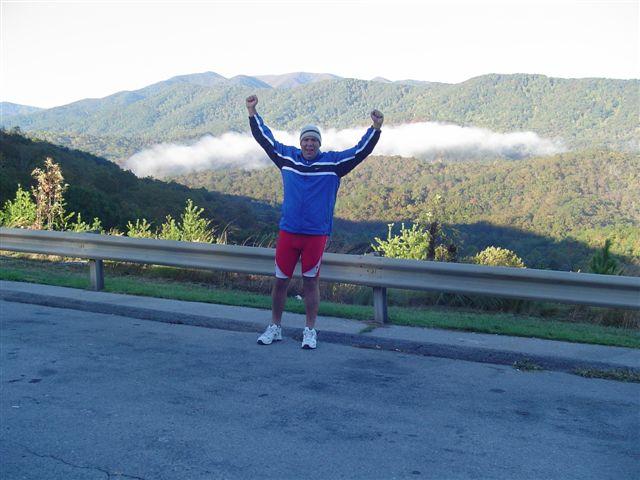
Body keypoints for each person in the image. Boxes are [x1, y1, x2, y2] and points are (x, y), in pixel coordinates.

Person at [246, 94, 383, 349]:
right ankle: (275, 326)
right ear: (301, 143)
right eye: (306, 140)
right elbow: (265, 140)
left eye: (314, 141)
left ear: (319, 143)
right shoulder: (287, 158)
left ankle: (310, 330)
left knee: (311, 282)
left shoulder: (333, 163)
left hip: (316, 234)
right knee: (280, 281)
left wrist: (374, 130)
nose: (309, 144)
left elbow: (359, 152)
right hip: (288, 231)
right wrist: (253, 113)